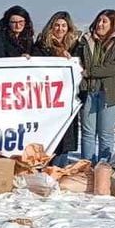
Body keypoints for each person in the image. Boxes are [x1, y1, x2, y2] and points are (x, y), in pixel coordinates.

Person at [75, 10, 115, 163]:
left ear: (113, 24)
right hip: (88, 90)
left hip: (109, 93)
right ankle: (86, 166)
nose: (100, 24)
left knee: (105, 133)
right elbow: (78, 60)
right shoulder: (86, 40)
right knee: (87, 132)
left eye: (104, 21)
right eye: (99, 20)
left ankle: (103, 168)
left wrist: (91, 72)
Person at [32, 11, 81, 157]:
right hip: (47, 97)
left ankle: (61, 164)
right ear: (51, 27)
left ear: (68, 27)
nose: (60, 29)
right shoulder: (42, 45)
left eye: (63, 25)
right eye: (57, 25)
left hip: (67, 97)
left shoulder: (75, 46)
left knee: (65, 134)